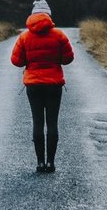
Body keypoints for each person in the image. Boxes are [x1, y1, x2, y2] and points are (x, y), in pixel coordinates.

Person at [11, 11, 73, 173]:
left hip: (33, 85)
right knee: (52, 123)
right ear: (49, 20)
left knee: (38, 122)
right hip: (54, 85)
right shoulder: (59, 35)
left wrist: (30, 60)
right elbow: (68, 59)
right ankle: (51, 163)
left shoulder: (25, 37)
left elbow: (16, 61)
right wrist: (55, 58)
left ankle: (40, 163)